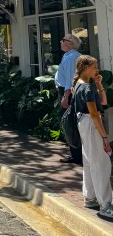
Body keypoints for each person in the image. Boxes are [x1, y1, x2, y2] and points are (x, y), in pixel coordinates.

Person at [71, 55, 113, 220]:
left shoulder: (80, 85)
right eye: (94, 67)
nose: (97, 69)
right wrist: (104, 137)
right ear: (85, 68)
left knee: (90, 162)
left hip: (84, 124)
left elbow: (103, 102)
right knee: (101, 164)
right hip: (91, 124)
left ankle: (90, 198)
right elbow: (95, 114)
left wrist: (99, 84)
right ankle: (105, 205)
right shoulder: (86, 88)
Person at [55, 33, 82, 165]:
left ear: (70, 43)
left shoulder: (72, 57)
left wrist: (66, 96)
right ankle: (75, 153)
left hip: (69, 92)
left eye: (63, 40)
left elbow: (71, 80)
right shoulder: (68, 56)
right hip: (67, 91)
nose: (61, 42)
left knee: (70, 123)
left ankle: (77, 155)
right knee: (70, 123)